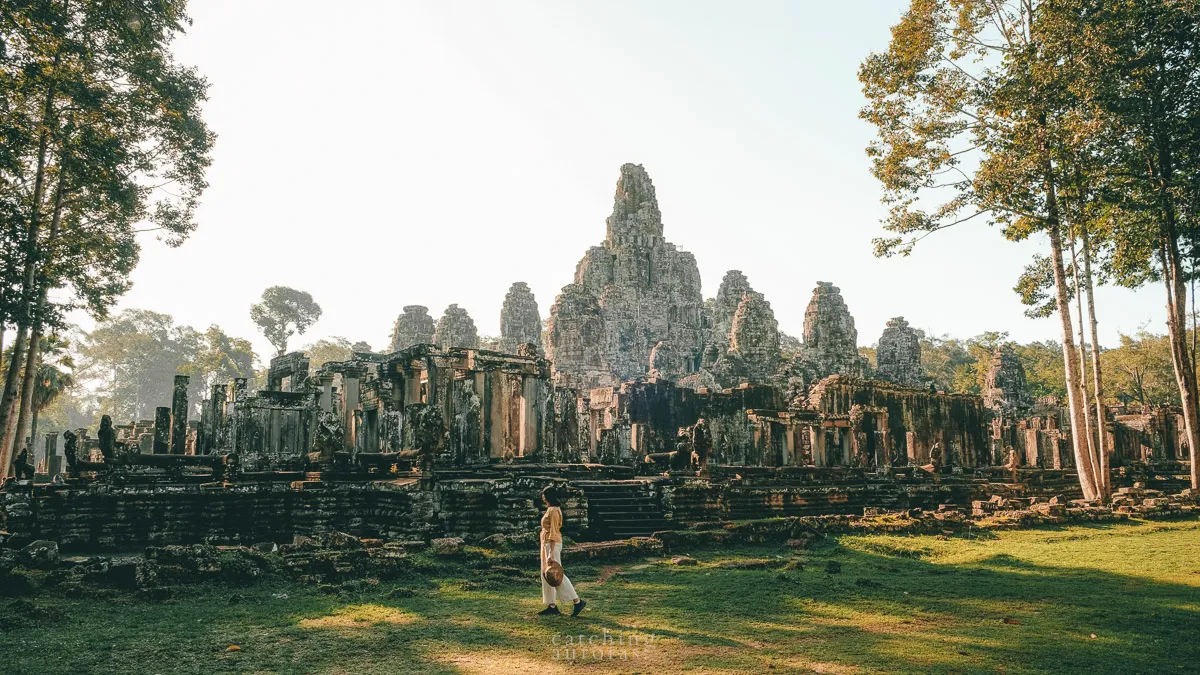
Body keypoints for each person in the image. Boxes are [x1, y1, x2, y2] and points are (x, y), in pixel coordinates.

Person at [537, 486, 585, 617]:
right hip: (546, 543)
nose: (542, 497)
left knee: (556, 574)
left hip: (551, 544)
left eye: (544, 494)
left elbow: (553, 532)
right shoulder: (551, 509)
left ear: (548, 496)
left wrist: (550, 553)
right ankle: (551, 605)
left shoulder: (553, 510)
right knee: (546, 574)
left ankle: (577, 601)